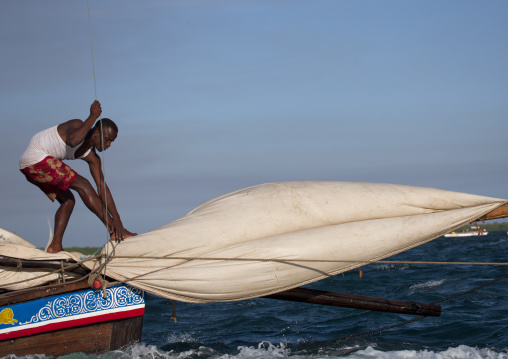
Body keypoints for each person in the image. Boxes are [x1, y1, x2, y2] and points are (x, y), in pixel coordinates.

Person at [19, 100, 136, 253]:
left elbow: (101, 187)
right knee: (83, 184)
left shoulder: (93, 158)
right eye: (107, 139)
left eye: (111, 142)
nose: (109, 145)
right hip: (36, 159)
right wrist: (93, 116)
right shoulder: (77, 125)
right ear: (97, 133)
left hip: (34, 168)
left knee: (68, 201)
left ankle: (55, 247)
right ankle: (114, 232)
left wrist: (117, 219)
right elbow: (73, 141)